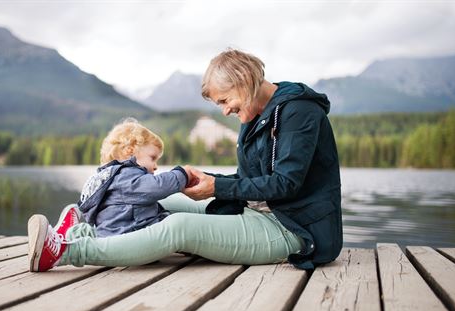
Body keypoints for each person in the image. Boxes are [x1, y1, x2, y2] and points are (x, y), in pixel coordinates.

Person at [27, 48, 342, 272]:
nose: (224, 110)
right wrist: (202, 180)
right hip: (256, 212)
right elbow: (249, 179)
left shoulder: (300, 112)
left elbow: (285, 184)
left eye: (225, 100)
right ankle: (83, 230)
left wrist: (218, 186)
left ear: (244, 81)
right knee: (161, 204)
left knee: (178, 226)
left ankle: (68, 252)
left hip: (291, 229)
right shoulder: (254, 115)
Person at [28, 119, 193, 271]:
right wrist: (181, 175)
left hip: (110, 230)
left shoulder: (107, 177)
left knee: (93, 231)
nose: (156, 166)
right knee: (169, 222)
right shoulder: (128, 176)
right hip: (128, 235)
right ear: (130, 152)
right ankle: (58, 253)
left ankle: (69, 234)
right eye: (153, 158)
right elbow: (156, 187)